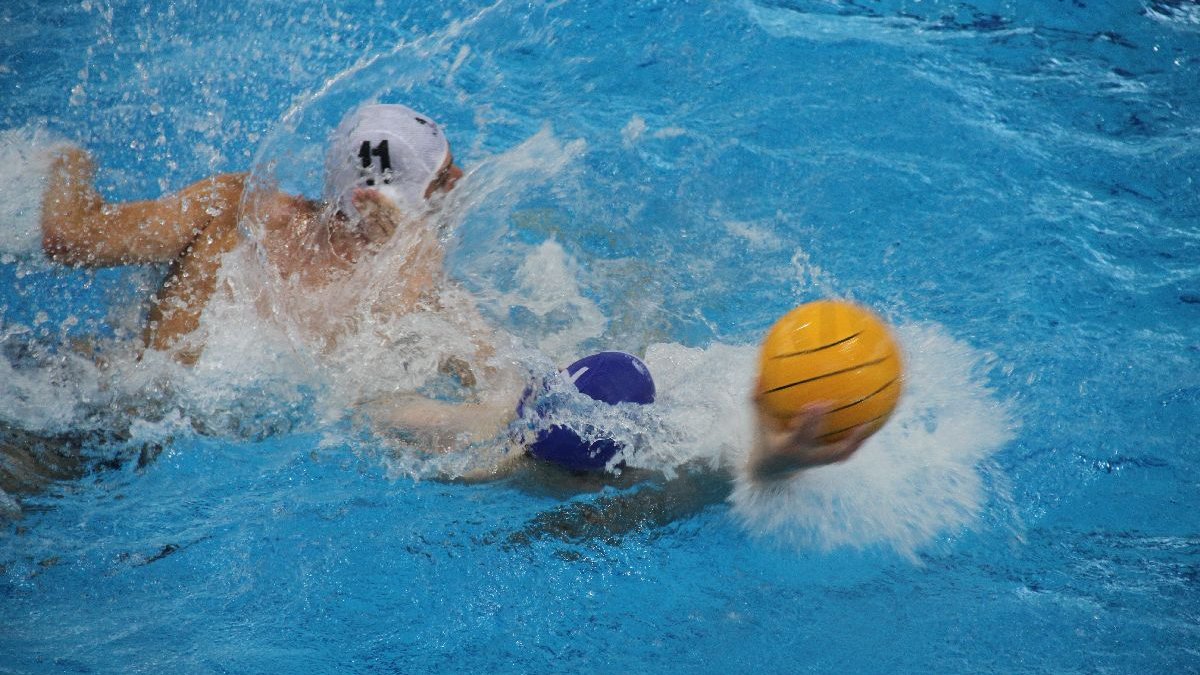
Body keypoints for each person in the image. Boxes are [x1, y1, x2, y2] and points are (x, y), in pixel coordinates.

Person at [22, 102, 865, 505]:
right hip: (147, 473)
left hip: (65, 396)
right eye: (452, 176)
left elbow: (69, 238)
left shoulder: (234, 206)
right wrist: (753, 461)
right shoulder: (418, 296)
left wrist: (65, 155)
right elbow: (533, 420)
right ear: (433, 193)